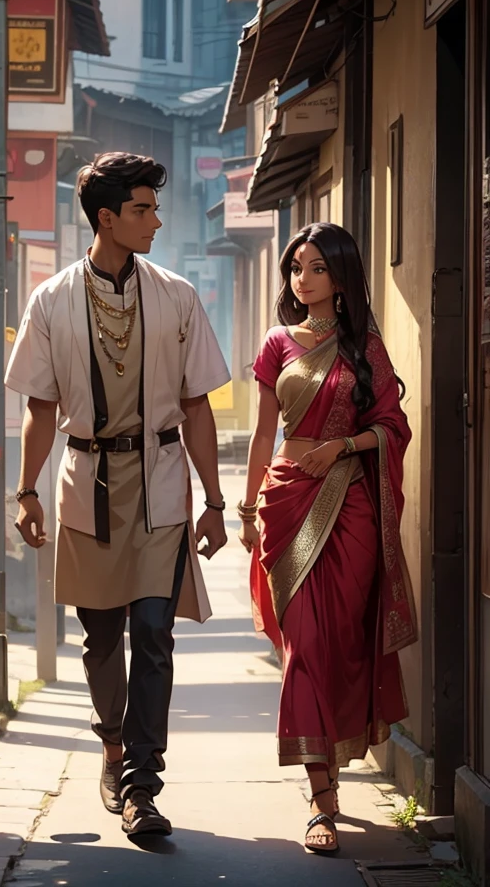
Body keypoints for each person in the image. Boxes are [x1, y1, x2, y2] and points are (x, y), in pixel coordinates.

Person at [5, 152, 230, 839]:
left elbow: (195, 406)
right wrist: (26, 492)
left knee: (155, 634)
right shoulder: (50, 301)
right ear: (107, 217)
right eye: (143, 209)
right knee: (101, 637)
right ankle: (111, 746)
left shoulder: (176, 295)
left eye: (156, 208)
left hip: (161, 480)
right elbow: (40, 408)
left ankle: (141, 784)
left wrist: (217, 503)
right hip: (86, 484)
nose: (156, 221)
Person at [238, 223, 417, 855]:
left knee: (341, 641)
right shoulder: (277, 344)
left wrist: (341, 446)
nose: (302, 279)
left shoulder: (364, 345)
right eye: (296, 268)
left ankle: (335, 769)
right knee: (304, 646)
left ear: (340, 278)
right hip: (287, 500)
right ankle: (322, 799)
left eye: (316, 267)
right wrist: (249, 506)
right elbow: (264, 434)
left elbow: (394, 428)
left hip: (352, 507)